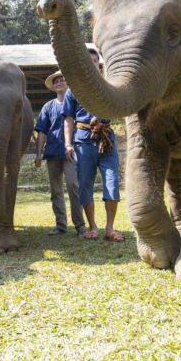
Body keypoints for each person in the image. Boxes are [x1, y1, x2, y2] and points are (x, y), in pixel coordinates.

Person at [62, 48, 124, 242]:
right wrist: (68, 144)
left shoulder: (109, 85)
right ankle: (93, 227)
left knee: (112, 182)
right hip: (83, 142)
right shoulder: (73, 89)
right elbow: (68, 120)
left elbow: (121, 110)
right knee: (85, 185)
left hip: (107, 141)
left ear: (99, 63)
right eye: (89, 61)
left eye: (96, 60)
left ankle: (109, 229)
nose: (93, 63)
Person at [34, 69, 86, 237]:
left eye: (62, 80)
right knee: (55, 190)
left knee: (73, 186)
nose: (59, 83)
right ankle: (61, 226)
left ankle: (80, 226)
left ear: (68, 83)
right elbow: (41, 131)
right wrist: (39, 153)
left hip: (72, 153)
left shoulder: (77, 103)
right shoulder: (48, 106)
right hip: (52, 154)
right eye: (56, 81)